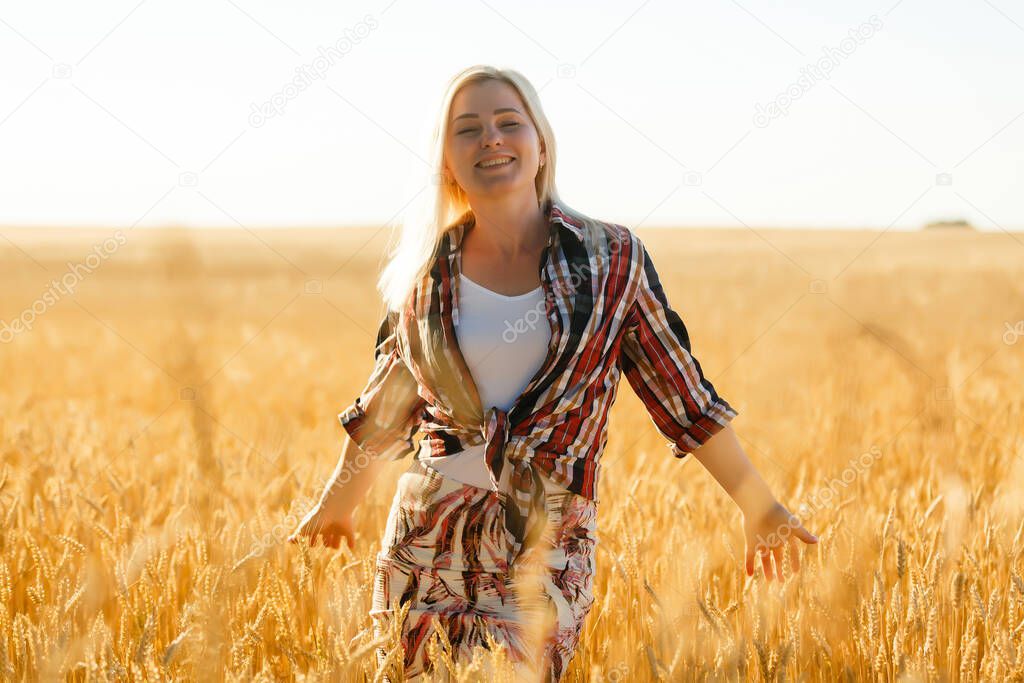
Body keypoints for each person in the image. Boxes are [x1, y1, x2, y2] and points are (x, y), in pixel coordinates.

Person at [289, 65, 818, 681]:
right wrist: (336, 506)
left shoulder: (611, 259)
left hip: (548, 538)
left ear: (540, 145)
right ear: (446, 162)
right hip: (425, 535)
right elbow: (389, 404)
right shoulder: (424, 274)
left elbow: (682, 395)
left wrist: (759, 506)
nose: (491, 137)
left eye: (508, 123)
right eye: (468, 130)